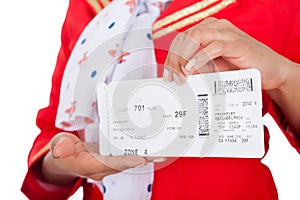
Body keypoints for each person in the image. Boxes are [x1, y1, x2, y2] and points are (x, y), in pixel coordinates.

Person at [21, 0, 300, 199]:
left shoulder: (276, 5)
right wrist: (65, 163)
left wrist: (285, 77)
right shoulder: (86, 8)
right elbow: (55, 137)